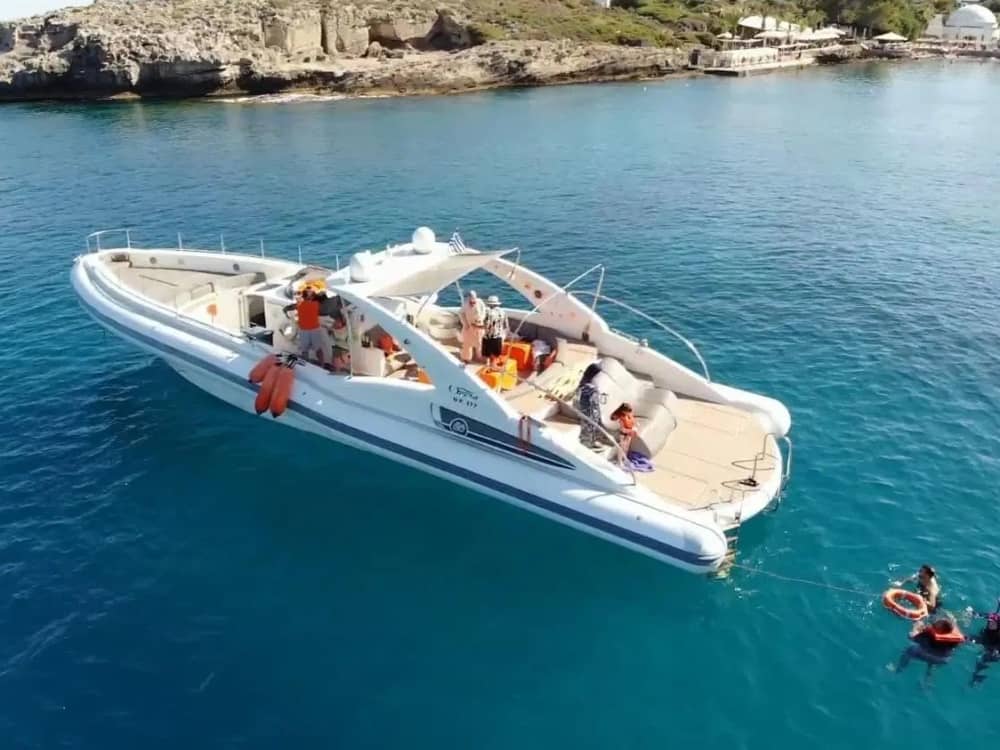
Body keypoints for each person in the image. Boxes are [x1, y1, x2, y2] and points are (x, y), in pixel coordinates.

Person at [895, 617, 964, 687]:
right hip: (943, 659)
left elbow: (911, 637)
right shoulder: (952, 640)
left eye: (937, 624)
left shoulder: (929, 634)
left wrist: (915, 627)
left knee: (910, 650)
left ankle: (899, 669)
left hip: (927, 655)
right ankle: (927, 681)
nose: (935, 623)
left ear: (940, 629)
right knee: (932, 662)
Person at [283, 288, 325, 368]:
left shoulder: (303, 304)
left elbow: (287, 308)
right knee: (307, 350)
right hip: (307, 329)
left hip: (310, 330)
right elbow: (287, 308)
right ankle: (310, 365)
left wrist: (286, 312)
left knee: (313, 349)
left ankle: (317, 365)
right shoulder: (313, 304)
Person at [575, 363, 603, 449]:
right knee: (588, 430)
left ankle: (590, 442)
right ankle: (585, 446)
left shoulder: (585, 384)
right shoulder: (588, 387)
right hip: (588, 413)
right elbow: (588, 402)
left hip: (589, 413)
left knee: (590, 429)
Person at [969, 606, 1000, 686]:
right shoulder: (994, 617)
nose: (990, 623)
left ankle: (977, 678)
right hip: (986, 638)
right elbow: (982, 615)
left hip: (994, 648)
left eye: (992, 623)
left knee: (981, 659)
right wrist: (973, 613)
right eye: (989, 622)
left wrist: (995, 651)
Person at [459, 290, 486, 364]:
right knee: (467, 343)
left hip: (478, 325)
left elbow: (484, 311)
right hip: (469, 326)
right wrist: (465, 323)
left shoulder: (480, 302)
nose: (472, 303)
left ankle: (479, 356)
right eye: (471, 301)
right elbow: (461, 313)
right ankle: (466, 358)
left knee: (479, 343)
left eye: (474, 301)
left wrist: (481, 318)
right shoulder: (465, 304)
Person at [482, 294, 508, 370]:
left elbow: (486, 325)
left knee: (489, 353)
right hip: (499, 335)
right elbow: (506, 325)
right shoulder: (503, 312)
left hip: (488, 336)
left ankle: (492, 366)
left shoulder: (487, 312)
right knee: (496, 352)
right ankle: (492, 364)